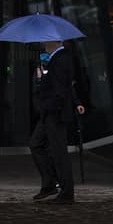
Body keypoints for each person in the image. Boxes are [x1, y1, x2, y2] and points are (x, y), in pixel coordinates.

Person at [29, 40, 85, 204]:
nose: (43, 43)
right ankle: (49, 184)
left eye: (46, 40)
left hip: (55, 114)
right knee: (36, 144)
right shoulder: (53, 59)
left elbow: (62, 90)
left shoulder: (60, 59)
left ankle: (66, 193)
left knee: (59, 153)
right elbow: (60, 86)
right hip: (49, 113)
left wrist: (72, 103)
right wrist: (41, 79)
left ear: (55, 41)